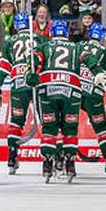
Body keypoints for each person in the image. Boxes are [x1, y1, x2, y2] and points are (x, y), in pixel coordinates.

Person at [0, 12, 43, 174]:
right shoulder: (39, 39)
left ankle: (12, 157)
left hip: (18, 85)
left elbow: (2, 68)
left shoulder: (10, 41)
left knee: (16, 121)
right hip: (38, 84)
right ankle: (55, 158)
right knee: (49, 121)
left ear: (15, 25)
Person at [35, 19, 85, 183]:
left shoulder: (43, 46)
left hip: (48, 89)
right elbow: (89, 59)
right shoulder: (76, 47)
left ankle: (47, 163)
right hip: (71, 90)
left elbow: (34, 62)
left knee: (49, 128)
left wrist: (31, 74)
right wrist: (98, 72)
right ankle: (70, 163)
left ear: (52, 32)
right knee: (70, 129)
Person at [78, 21, 106, 176]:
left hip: (73, 92)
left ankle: (62, 160)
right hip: (93, 94)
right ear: (103, 37)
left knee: (66, 126)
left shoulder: (78, 47)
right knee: (102, 127)